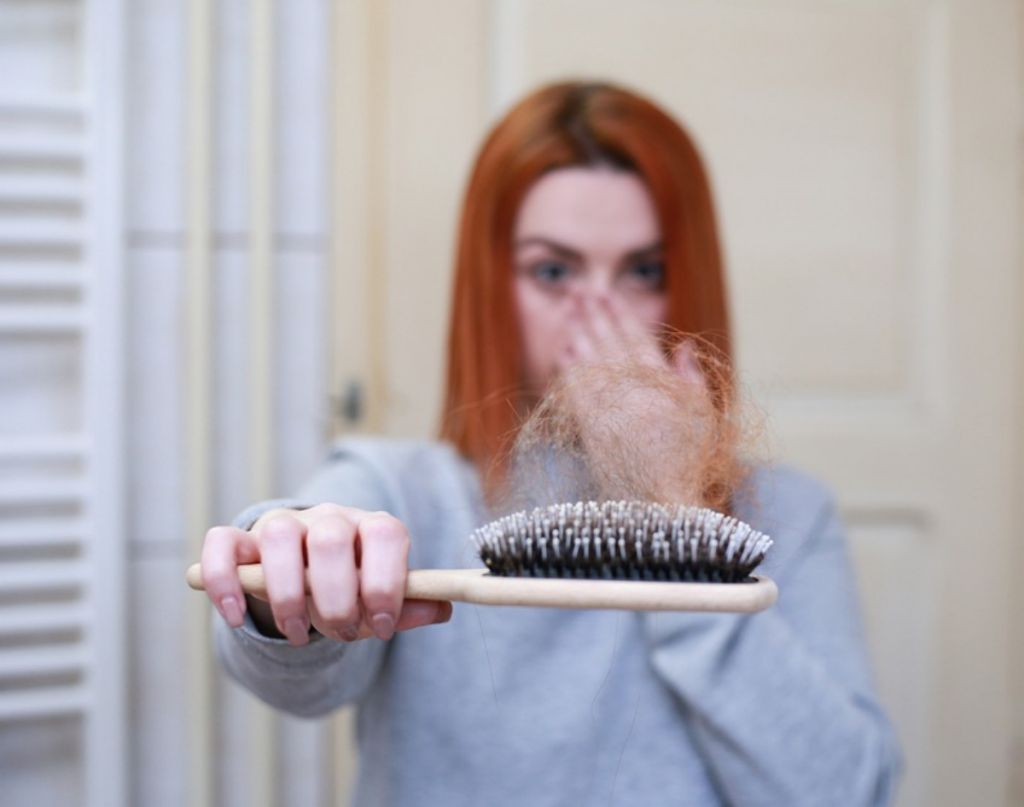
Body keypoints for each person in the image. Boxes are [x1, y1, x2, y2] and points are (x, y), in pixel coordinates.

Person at [202, 81, 902, 806]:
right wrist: (289, 579)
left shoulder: (791, 516)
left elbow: (849, 792)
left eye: (644, 272)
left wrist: (679, 516)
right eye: (553, 271)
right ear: (491, 286)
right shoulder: (400, 491)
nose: (600, 313)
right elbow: (290, 671)